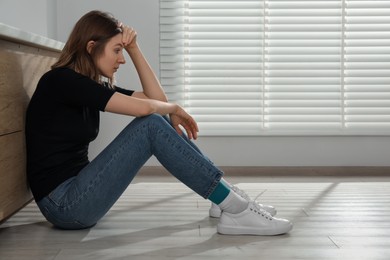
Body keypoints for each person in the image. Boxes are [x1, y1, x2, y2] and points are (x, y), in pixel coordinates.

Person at [25, 10, 292, 235]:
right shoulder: (61, 82)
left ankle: (225, 200)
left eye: (123, 50)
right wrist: (175, 108)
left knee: (155, 118)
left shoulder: (87, 84)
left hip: (78, 191)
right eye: (117, 50)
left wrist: (134, 47)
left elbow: (156, 99)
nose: (122, 59)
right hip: (64, 205)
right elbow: (152, 107)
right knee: (150, 123)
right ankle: (236, 208)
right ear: (91, 47)